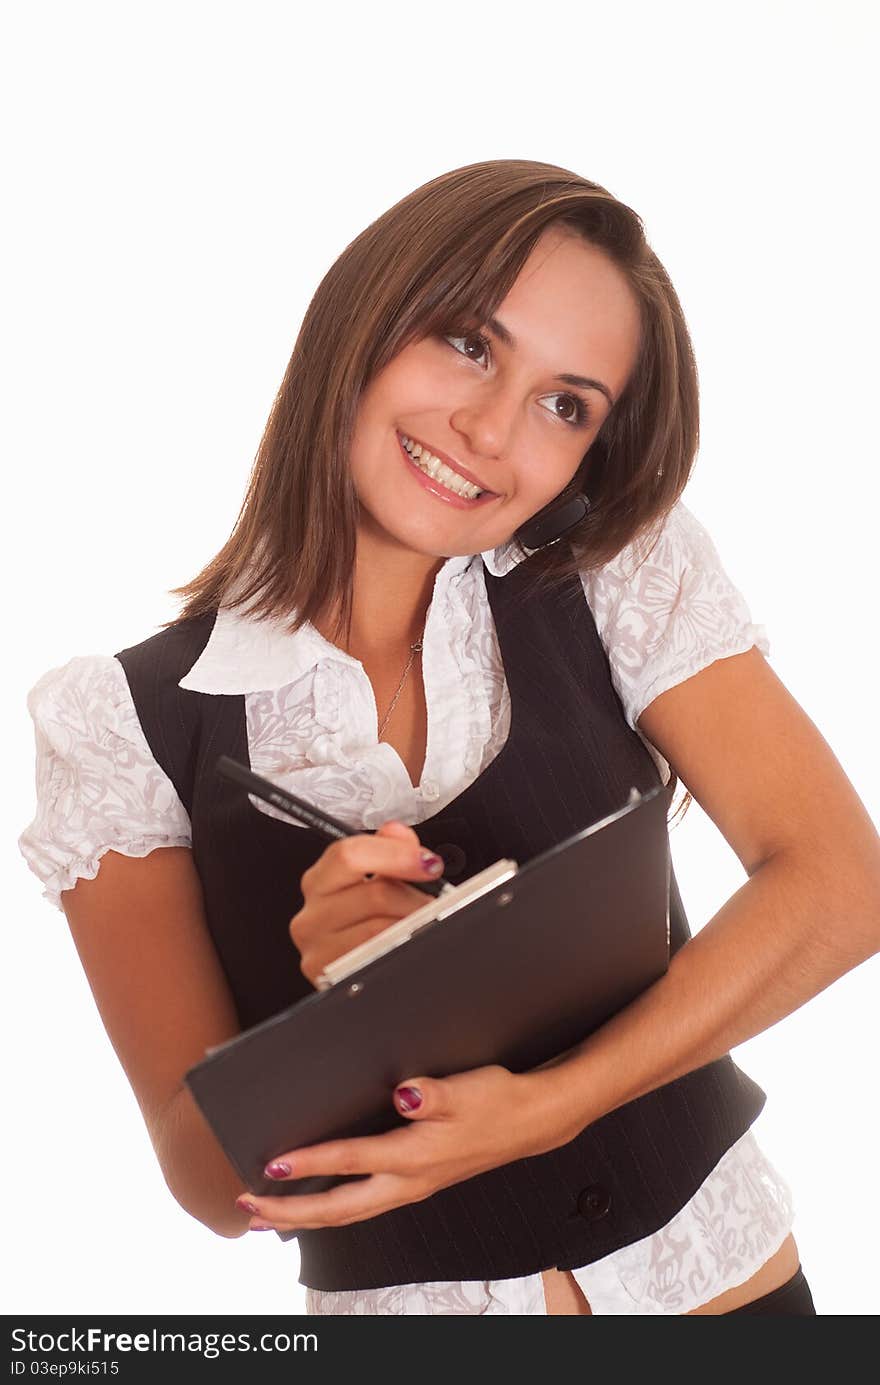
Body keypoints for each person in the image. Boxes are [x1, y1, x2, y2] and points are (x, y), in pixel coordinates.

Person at [18, 159, 880, 1316]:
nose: (488, 430)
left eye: (564, 403)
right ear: (364, 320)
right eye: (468, 344)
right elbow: (208, 1182)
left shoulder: (615, 570)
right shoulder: (120, 723)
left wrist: (564, 1096)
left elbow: (840, 883)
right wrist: (334, 1013)